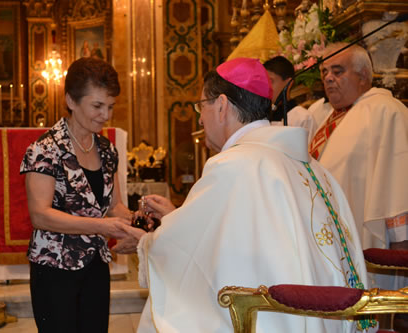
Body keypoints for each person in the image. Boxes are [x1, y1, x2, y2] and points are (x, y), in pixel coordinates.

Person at [114, 58, 371, 332]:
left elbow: (201, 257)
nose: (200, 118)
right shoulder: (313, 168)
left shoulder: (234, 165)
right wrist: (178, 218)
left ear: (222, 105)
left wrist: (147, 242)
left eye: (202, 106)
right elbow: (249, 236)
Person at [20, 57, 135, 333]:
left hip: (95, 266)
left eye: (110, 106)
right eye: (97, 106)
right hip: (54, 268)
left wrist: (141, 219)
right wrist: (101, 226)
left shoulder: (108, 150)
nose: (105, 115)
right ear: (71, 101)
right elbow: (40, 216)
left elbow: (113, 207)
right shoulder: (44, 150)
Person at [308, 43, 408, 253]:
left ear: (363, 76)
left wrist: (401, 238)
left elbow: (398, 177)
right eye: (324, 72)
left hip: (368, 240)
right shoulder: (330, 116)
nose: (327, 78)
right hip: (329, 234)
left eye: (337, 71)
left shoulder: (386, 111)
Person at [263, 55, 316, 142]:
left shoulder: (303, 118)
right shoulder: (262, 118)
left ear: (289, 83)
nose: (267, 87)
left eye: (271, 81)